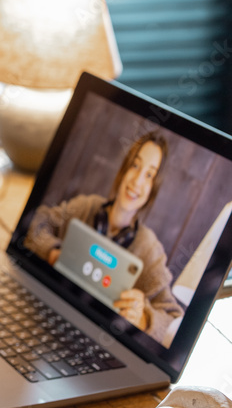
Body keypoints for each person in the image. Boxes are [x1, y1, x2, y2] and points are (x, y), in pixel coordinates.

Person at [24, 132, 184, 344]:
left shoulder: (149, 249)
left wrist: (145, 318)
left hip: (100, 344)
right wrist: (52, 252)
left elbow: (173, 320)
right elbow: (36, 221)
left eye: (149, 175)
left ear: (153, 187)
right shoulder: (86, 207)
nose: (137, 181)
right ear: (124, 169)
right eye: (135, 166)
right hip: (45, 315)